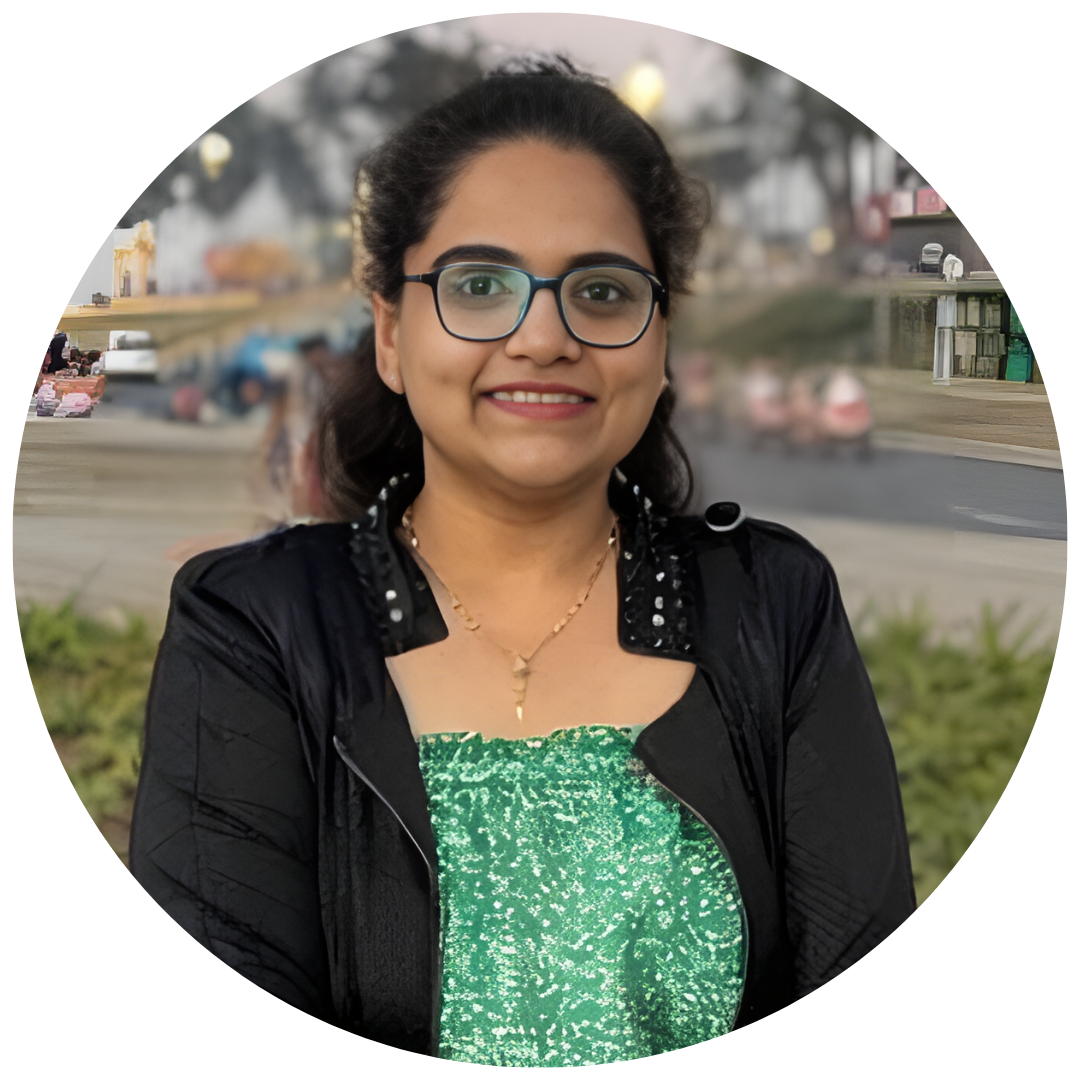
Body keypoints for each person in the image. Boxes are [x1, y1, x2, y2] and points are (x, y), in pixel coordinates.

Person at [130, 60, 914, 1065]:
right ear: (391, 335)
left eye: (602, 291)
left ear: (659, 341)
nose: (543, 337)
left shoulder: (773, 607)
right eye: (480, 285)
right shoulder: (256, 627)